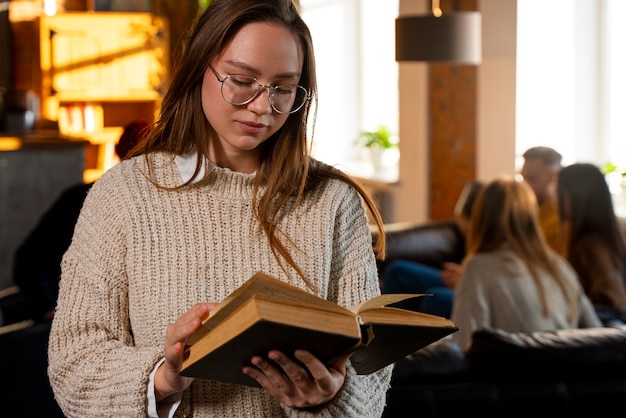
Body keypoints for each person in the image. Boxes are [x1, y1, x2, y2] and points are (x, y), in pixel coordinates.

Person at [47, 1, 391, 417]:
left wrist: (332, 398)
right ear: (198, 70)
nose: (263, 107)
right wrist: (164, 376)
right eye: (242, 80)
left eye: (284, 88)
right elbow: (74, 367)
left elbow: (370, 378)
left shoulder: (332, 200)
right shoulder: (123, 195)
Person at [4, 119, 149, 325]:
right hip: (71, 325)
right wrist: (52, 310)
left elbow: (28, 258)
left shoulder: (79, 197)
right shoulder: (80, 200)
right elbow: (29, 260)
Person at [450, 176, 601, 350]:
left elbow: (462, 345)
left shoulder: (477, 267)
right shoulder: (559, 266)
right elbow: (597, 335)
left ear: (481, 217)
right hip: (568, 373)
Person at [380, 181, 483, 318]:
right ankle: (389, 336)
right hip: (468, 277)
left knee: (436, 298)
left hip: (478, 286)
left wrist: (467, 281)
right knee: (397, 272)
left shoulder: (515, 213)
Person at [557, 162, 626, 322]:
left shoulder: (590, 244)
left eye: (559, 191)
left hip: (601, 336)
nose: (555, 198)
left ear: (574, 195)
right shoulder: (608, 238)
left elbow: (616, 300)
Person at [520, 146, 564, 254]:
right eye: (523, 178)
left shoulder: (560, 222)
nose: (524, 186)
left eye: (531, 179)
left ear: (554, 177)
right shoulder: (524, 213)